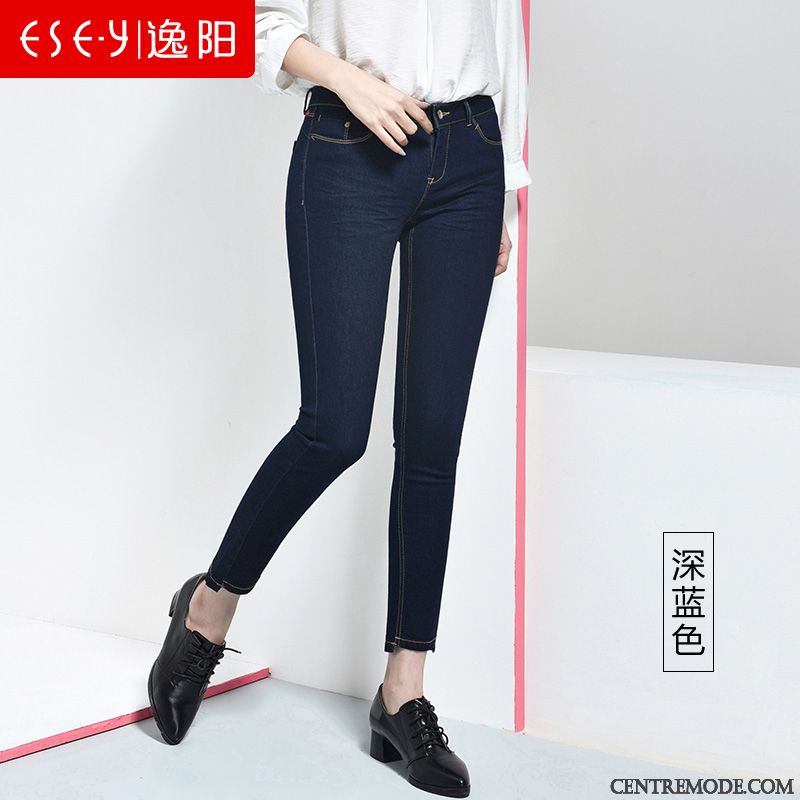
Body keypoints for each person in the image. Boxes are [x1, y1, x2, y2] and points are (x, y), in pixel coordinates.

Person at [148, 2, 530, 796]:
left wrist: (506, 187)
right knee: (333, 429)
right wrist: (347, 80)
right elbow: (258, 22)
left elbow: (504, 32)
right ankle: (208, 608)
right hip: (351, 145)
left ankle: (404, 691)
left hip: (472, 154)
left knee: (433, 437)